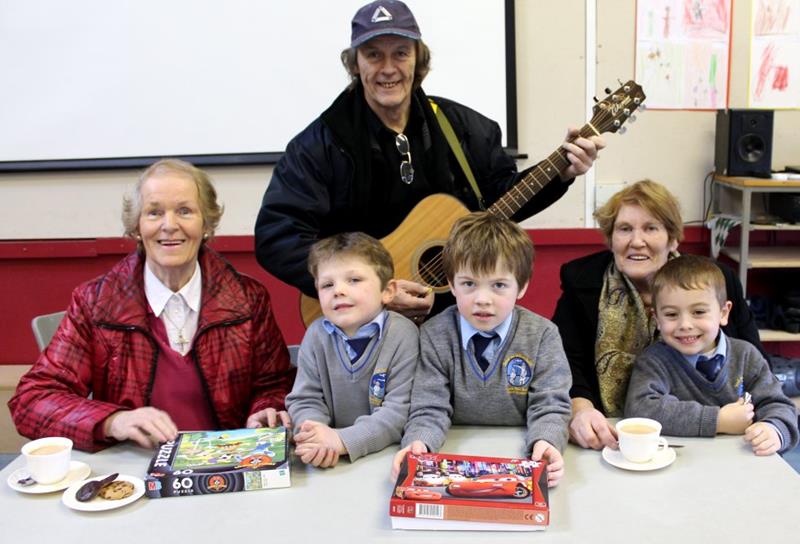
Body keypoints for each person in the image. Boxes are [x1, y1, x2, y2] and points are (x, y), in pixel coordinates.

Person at [254, 0, 604, 320]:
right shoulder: (319, 145)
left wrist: (562, 171)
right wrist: (374, 291)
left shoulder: (463, 128)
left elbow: (501, 200)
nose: (388, 69)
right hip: (363, 327)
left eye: (401, 53)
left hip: (455, 320)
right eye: (373, 55)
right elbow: (277, 238)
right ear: (355, 64)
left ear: (418, 60)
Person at [9, 159, 296, 452]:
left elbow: (275, 384)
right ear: (137, 226)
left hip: (227, 462)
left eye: (184, 211)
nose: (169, 225)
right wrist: (113, 421)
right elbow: (32, 400)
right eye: (154, 212)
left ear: (206, 224)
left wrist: (266, 409)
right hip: (133, 469)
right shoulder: (95, 302)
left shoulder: (248, 298)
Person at [551, 179, 766, 451]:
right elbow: (563, 363)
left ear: (672, 238)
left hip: (718, 439)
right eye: (624, 229)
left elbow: (755, 368)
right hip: (613, 436)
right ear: (611, 239)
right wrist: (580, 409)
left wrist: (764, 424)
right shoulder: (582, 281)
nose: (636, 241)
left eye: (650, 228)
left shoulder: (716, 280)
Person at [391, 212, 572, 487]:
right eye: (469, 284)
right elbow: (429, 407)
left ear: (522, 287)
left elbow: (550, 405)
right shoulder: (434, 334)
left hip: (519, 457)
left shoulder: (543, 335)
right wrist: (419, 444)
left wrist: (546, 441)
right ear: (451, 284)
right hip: (455, 457)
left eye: (499, 285)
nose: (483, 299)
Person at [625, 255, 798, 455]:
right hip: (679, 461)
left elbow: (778, 404)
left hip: (739, 461)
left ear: (724, 313)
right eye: (671, 314)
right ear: (656, 319)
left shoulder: (746, 356)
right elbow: (640, 409)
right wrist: (717, 420)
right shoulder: (654, 361)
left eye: (698, 312)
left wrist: (774, 430)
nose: (685, 325)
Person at [286, 232, 418, 468]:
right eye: (327, 285)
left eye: (354, 280)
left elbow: (398, 413)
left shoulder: (403, 334)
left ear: (388, 291)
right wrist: (315, 435)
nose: (338, 290)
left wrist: (342, 440)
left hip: (385, 457)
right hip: (331, 460)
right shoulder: (315, 336)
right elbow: (306, 400)